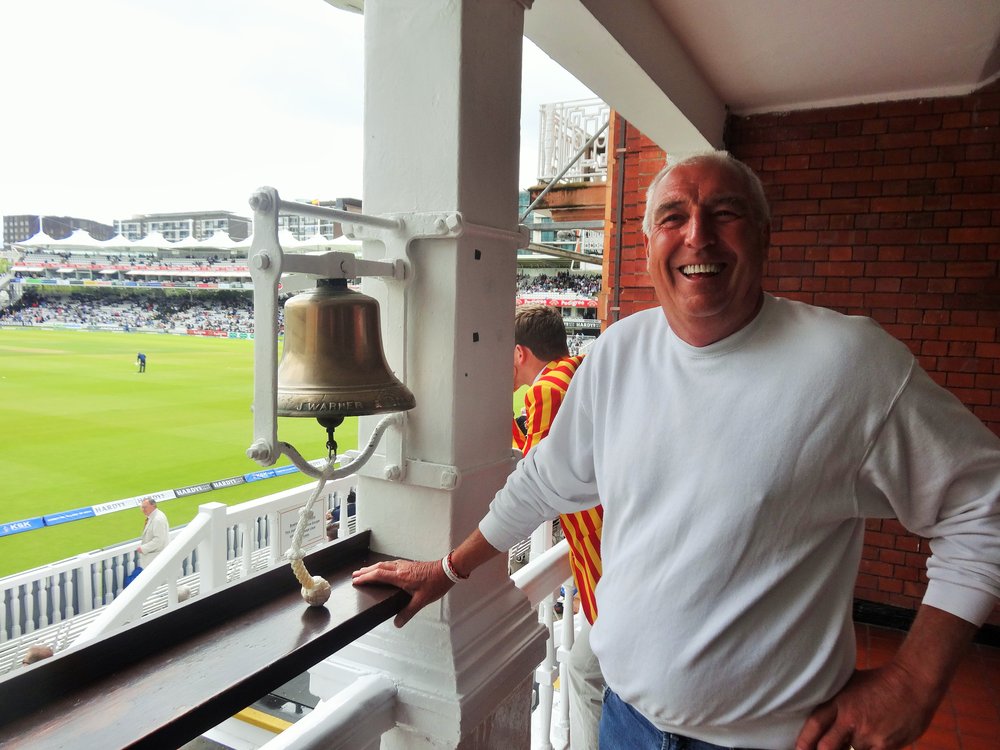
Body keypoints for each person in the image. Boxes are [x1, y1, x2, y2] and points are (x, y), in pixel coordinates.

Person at [352, 151, 1000, 750]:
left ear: (765, 234)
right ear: (646, 246)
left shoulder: (851, 365)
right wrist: (448, 570)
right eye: (674, 217)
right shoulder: (617, 353)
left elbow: (985, 505)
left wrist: (916, 679)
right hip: (626, 721)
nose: (698, 235)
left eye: (725, 213)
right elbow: (545, 481)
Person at [513, 304, 604, 750]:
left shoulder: (547, 388)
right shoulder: (581, 371)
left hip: (609, 560)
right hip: (616, 551)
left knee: (588, 673)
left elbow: (534, 479)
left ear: (518, 353)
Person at [125, 497, 169, 587]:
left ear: (153, 506)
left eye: (145, 507)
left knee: (154, 583)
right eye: (142, 507)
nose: (142, 510)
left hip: (155, 557)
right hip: (153, 556)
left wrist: (143, 548)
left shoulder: (157, 519)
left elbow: (158, 540)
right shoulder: (153, 517)